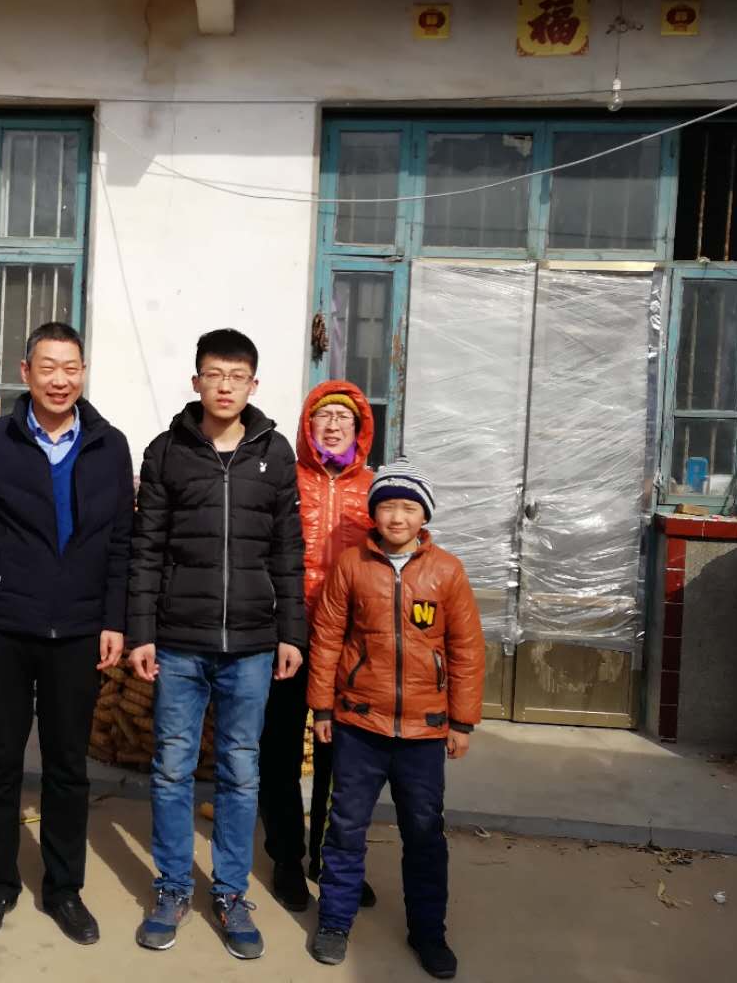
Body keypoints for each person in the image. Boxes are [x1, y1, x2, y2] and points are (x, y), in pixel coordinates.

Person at [0, 321, 133, 946]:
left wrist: (114, 620)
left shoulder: (109, 445)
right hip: (3, 626)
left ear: (83, 374)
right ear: (25, 373)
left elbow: (121, 543)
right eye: (47, 367)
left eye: (71, 368)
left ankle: (64, 889)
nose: (60, 379)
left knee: (67, 767)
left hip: (78, 630)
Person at [127, 328, 305, 961]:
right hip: (179, 641)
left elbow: (288, 550)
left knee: (240, 770)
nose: (225, 386)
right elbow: (146, 550)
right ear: (196, 381)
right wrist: (142, 633)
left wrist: (291, 632)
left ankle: (230, 893)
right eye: (214, 374)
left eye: (237, 376)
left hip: (253, 644)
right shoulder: (167, 451)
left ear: (253, 385)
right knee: (172, 768)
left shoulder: (275, 453)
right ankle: (173, 887)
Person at [306, 459, 485, 978]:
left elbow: (466, 650)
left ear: (424, 516)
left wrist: (462, 723)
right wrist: (322, 707)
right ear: (374, 513)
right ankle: (335, 922)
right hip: (359, 725)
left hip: (424, 732)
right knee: (345, 828)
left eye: (409, 507)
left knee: (424, 834)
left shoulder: (447, 571)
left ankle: (428, 932)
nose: (397, 517)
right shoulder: (352, 566)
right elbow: (328, 638)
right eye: (388, 507)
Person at [258, 381, 379, 913]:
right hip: (287, 632)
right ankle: (286, 856)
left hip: (350, 643)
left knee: (342, 758)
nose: (333, 426)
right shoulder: (286, 480)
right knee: (280, 750)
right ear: (308, 427)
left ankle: (331, 859)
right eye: (323, 417)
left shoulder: (374, 490)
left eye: (343, 418)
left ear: (359, 429)